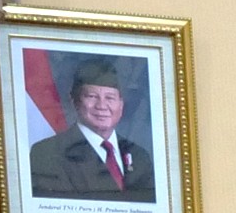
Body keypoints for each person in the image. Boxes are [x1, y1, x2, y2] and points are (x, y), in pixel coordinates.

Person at [26, 61, 152, 200]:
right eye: (92, 96)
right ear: (74, 100)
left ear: (121, 104)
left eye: (110, 98)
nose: (101, 106)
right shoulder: (47, 153)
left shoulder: (140, 157)